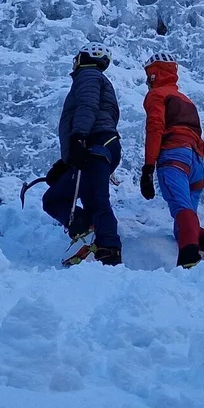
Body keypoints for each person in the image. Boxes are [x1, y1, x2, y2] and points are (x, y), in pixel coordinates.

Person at [140, 54, 204, 269]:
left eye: (148, 75)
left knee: (182, 211)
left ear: (154, 74)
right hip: (195, 162)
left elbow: (155, 127)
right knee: (183, 224)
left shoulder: (157, 94)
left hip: (174, 157)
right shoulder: (186, 100)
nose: (147, 81)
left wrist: (148, 167)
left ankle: (189, 259)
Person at [50, 48, 123, 266]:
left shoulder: (89, 75)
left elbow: (87, 105)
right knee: (55, 199)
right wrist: (66, 163)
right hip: (100, 145)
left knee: (97, 199)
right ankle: (89, 232)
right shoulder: (97, 79)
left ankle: (108, 248)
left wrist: (79, 137)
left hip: (95, 144)